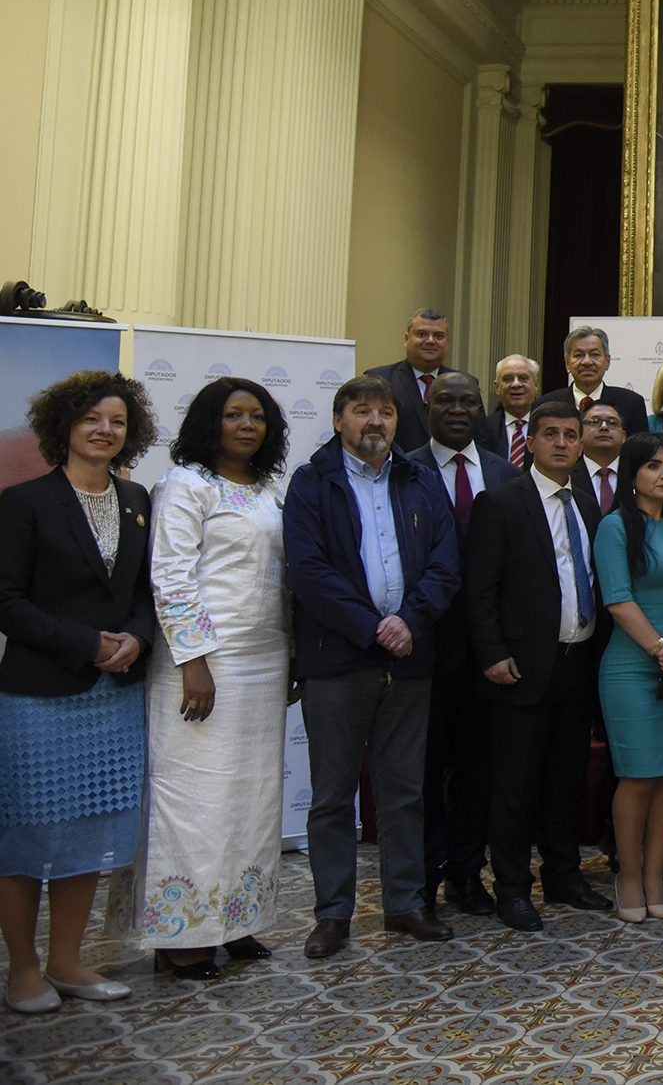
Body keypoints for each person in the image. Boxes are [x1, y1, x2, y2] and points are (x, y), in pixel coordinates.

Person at [284, 374, 460, 959]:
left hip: (410, 658)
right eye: (362, 411)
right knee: (333, 796)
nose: (375, 422)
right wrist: (371, 627)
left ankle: (405, 903)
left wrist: (409, 620)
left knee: (404, 791)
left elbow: (444, 563)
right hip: (337, 662)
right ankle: (333, 913)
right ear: (339, 421)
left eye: (385, 412)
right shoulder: (312, 483)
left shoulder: (420, 479)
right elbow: (309, 572)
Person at [0, 373, 156, 1014]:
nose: (104, 430)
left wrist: (138, 641)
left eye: (116, 422)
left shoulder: (138, 497)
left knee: (91, 829)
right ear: (64, 426)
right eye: (92, 419)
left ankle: (66, 960)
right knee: (27, 835)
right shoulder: (23, 501)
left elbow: (148, 592)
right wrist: (86, 643)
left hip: (113, 695)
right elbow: (7, 601)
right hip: (39, 697)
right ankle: (24, 968)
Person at [134, 378, 292, 980]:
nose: (247, 426)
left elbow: (282, 580)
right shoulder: (185, 484)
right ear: (210, 422)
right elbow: (171, 577)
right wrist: (192, 662)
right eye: (233, 415)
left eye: (257, 416)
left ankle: (235, 919)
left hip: (264, 660)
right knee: (196, 798)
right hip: (202, 664)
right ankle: (182, 934)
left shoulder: (270, 491)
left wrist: (294, 655)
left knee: (250, 798)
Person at [466, 401, 612, 931]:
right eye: (549, 434)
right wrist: (492, 654)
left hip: (578, 663)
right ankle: (511, 887)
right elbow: (479, 591)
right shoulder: (501, 502)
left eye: (570, 436)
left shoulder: (587, 504)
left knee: (565, 781)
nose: (561, 444)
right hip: (521, 668)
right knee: (514, 785)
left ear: (580, 444)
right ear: (530, 440)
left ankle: (564, 875)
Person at [409, 372, 520, 918]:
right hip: (422, 650)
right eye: (445, 400)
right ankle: (422, 882)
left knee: (478, 773)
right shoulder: (402, 469)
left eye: (468, 402)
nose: (457, 410)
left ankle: (465, 875)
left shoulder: (504, 472)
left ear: (483, 408)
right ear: (427, 405)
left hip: (486, 652)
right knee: (425, 774)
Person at [594, 432, 663, 922]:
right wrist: (662, 652)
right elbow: (617, 600)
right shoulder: (615, 527)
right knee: (637, 777)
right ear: (631, 475)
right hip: (632, 668)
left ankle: (657, 874)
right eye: (653, 466)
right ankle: (629, 876)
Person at [364, 308, 460, 454]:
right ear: (406, 339)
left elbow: (479, 438)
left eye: (438, 336)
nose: (430, 341)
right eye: (421, 334)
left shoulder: (463, 384)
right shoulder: (379, 380)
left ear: (447, 342)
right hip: (397, 471)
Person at [536, 325, 649, 432]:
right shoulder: (545, 404)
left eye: (594, 354)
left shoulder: (631, 404)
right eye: (579, 355)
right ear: (567, 364)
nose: (587, 362)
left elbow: (640, 451)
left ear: (607, 361)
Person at [477, 353, 540, 467]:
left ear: (536, 385)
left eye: (523, 378)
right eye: (508, 379)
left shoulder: (548, 427)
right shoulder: (483, 428)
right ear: (497, 387)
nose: (516, 384)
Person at [573, 402, 628, 517]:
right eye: (594, 422)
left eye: (612, 422)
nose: (604, 427)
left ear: (623, 436)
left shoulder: (636, 475)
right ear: (580, 433)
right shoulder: (566, 476)